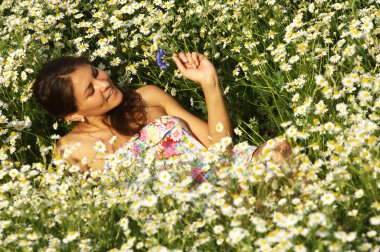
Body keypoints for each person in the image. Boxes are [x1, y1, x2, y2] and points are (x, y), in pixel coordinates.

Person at [33, 52, 291, 172]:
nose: (104, 83)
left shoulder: (147, 97)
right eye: (91, 90)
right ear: (74, 115)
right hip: (177, 217)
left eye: (95, 73)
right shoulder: (71, 150)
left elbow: (220, 147)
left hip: (224, 174)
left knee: (280, 150)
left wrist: (209, 82)